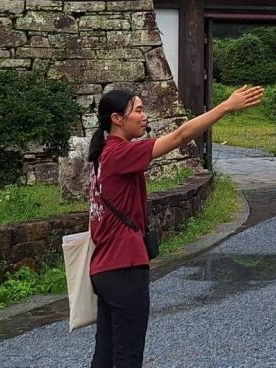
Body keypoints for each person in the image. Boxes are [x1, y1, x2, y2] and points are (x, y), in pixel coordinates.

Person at [87, 84, 264, 368]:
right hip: (124, 265)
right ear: (117, 119)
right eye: (138, 110)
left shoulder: (102, 157)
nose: (144, 116)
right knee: (127, 356)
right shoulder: (119, 154)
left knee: (106, 353)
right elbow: (181, 136)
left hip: (104, 267)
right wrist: (225, 106)